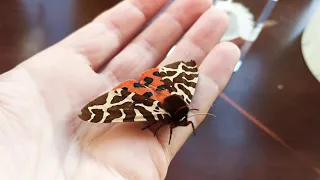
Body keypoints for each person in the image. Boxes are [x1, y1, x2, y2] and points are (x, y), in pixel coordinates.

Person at [0, 0, 240, 179]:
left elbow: (186, 71)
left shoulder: (181, 98)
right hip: (155, 94)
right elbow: (186, 70)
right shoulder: (182, 98)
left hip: (151, 94)